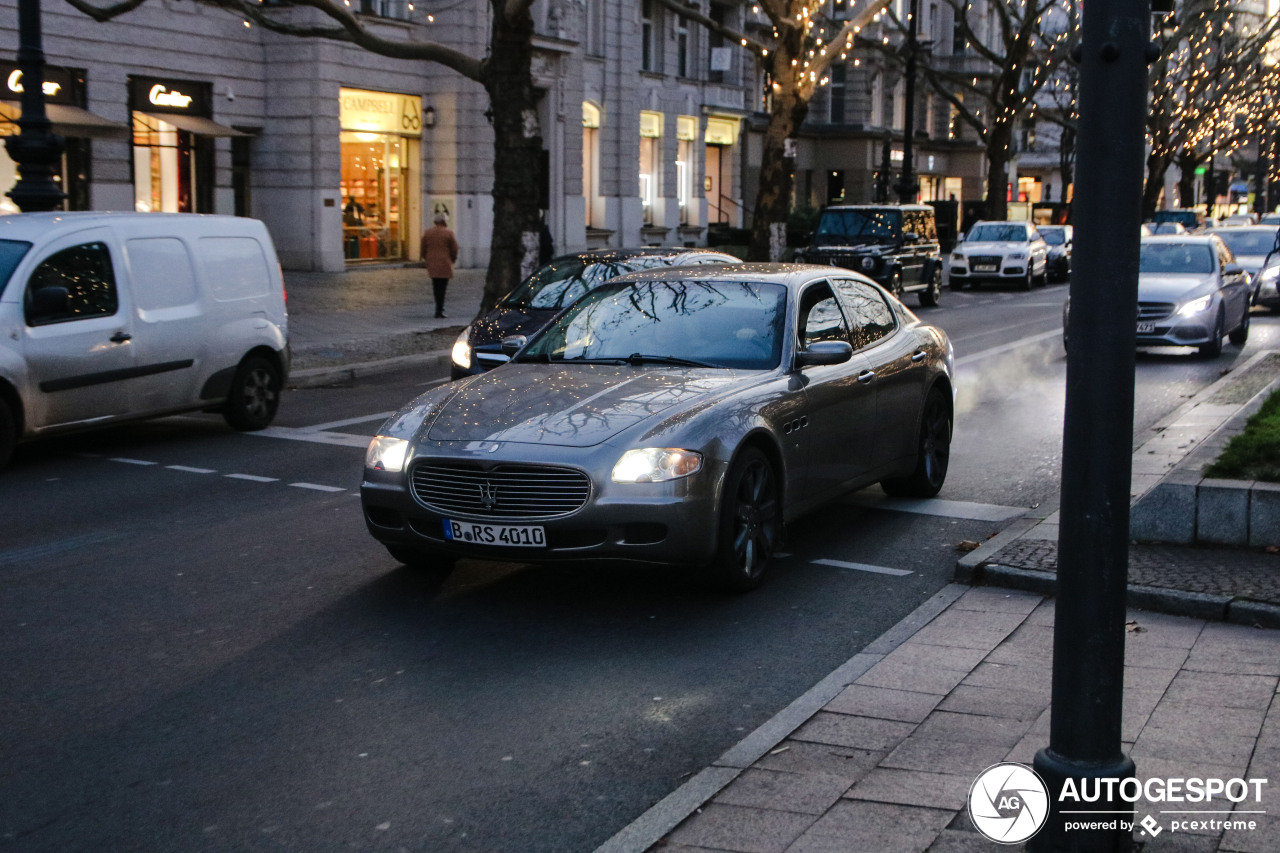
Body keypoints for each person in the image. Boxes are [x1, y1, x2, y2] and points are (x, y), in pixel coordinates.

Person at [420, 214, 459, 319]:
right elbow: (454, 248)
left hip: (432, 262)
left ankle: (438, 308)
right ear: (444, 221)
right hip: (445, 262)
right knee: (443, 287)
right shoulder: (448, 233)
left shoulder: (428, 233)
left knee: (436, 286)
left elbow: (423, 248)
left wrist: (427, 258)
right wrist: (452, 259)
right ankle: (439, 309)